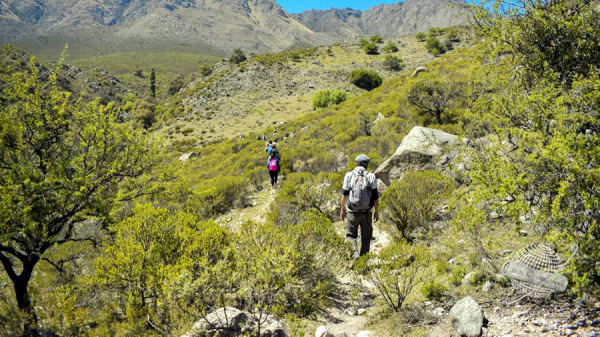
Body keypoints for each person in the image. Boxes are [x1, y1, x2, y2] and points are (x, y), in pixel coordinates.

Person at [340, 154, 379, 259]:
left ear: (356, 163)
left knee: (351, 236)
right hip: (367, 212)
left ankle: (355, 254)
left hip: (352, 212)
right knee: (366, 238)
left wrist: (342, 210)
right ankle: (363, 261)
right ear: (366, 164)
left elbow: (344, 194)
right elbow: (375, 196)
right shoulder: (371, 176)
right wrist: (376, 211)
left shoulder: (349, 175)